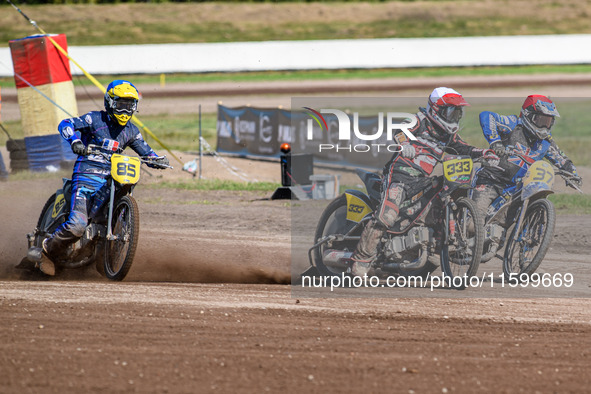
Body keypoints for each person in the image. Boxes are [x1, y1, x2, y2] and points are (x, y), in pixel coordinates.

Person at [350, 87, 499, 277]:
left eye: (458, 113)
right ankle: (360, 261)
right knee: (387, 214)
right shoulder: (418, 120)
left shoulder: (448, 135)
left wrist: (485, 153)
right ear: (436, 110)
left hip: (421, 180)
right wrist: (404, 145)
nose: (455, 117)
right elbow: (400, 131)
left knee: (442, 190)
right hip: (399, 175)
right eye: (451, 112)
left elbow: (464, 147)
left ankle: (429, 244)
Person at [35, 80, 169, 275]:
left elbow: (146, 152)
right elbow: (66, 124)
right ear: (110, 102)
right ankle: (46, 250)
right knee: (77, 225)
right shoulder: (94, 119)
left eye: (129, 105)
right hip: (86, 177)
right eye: (121, 105)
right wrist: (75, 141)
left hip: (112, 180)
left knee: (112, 210)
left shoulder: (131, 130)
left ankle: (104, 252)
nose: (125, 111)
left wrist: (157, 160)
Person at [471, 94, 581, 217]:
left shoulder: (546, 143)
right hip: (491, 181)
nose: (544, 127)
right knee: (473, 225)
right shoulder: (513, 124)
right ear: (527, 115)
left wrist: (573, 174)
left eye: (548, 122)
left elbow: (563, 160)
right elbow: (487, 115)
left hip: (518, 188)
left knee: (533, 201)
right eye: (540, 120)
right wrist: (495, 142)